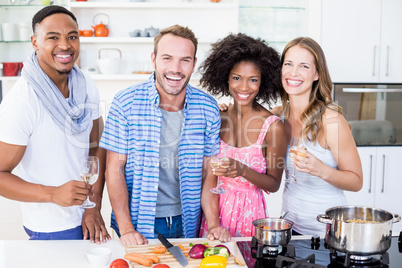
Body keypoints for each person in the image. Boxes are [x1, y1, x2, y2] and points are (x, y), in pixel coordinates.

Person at [100, 24, 231, 246]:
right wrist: (126, 229)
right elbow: (114, 169)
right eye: (167, 58)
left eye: (184, 60)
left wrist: (214, 224)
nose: (176, 68)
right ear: (154, 59)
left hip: (188, 222)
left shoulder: (208, 108)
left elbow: (210, 173)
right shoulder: (125, 103)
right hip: (136, 223)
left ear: (194, 64)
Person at [0, 5, 110, 243]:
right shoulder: (22, 101)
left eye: (72, 36)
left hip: (88, 218)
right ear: (35, 42)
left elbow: (97, 144)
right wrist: (53, 194)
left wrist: (93, 206)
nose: (65, 45)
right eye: (53, 37)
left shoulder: (85, 83)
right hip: (50, 227)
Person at [198, 33, 288, 237]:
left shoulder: (273, 127)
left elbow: (273, 184)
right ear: (226, 78)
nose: (244, 87)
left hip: (249, 215)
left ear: (263, 82)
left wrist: (242, 170)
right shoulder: (216, 118)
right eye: (237, 78)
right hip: (213, 213)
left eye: (253, 80)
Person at [271, 37, 363, 235]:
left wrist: (321, 169)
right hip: (289, 230)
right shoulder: (277, 116)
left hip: (327, 234)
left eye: (303, 66)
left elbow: (356, 181)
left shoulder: (331, 121)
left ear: (317, 74)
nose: (293, 72)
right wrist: (226, 110)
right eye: (288, 64)